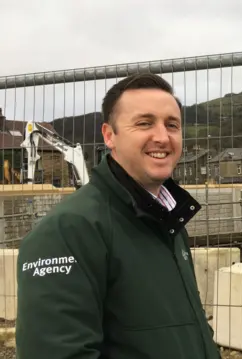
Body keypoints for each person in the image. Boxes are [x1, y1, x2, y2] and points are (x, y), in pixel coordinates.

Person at [15, 73, 221, 359]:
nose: (162, 137)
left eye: (171, 124)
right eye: (144, 123)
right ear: (109, 136)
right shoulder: (68, 231)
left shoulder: (168, 221)